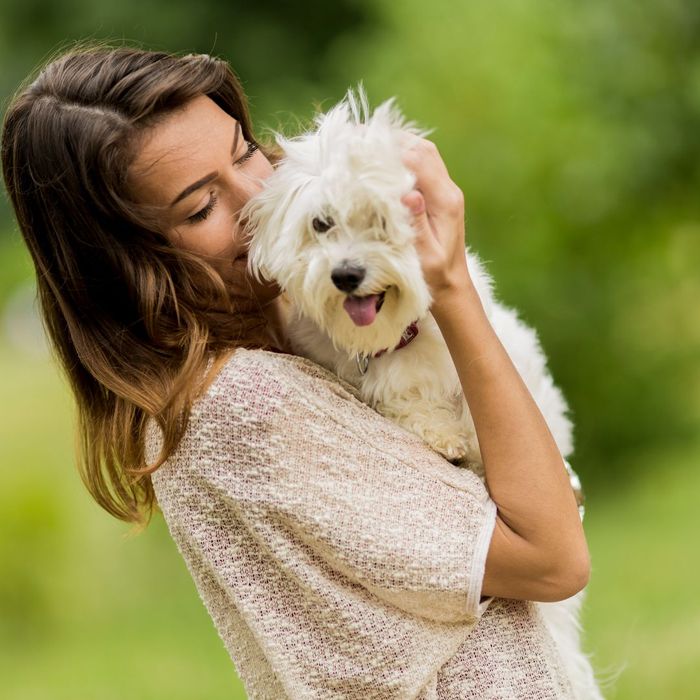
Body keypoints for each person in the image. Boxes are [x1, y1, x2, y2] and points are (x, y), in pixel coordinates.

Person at [2, 45, 590, 698]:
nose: (261, 197)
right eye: (201, 208)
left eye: (245, 150)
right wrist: (448, 289)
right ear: (127, 267)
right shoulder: (244, 409)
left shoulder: (297, 334)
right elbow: (553, 558)